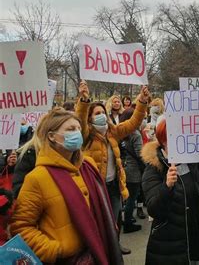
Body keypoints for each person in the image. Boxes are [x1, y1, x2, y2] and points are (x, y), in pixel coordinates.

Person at [10, 108, 123, 264]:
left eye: (77, 128)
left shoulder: (88, 164)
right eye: (70, 129)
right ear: (52, 136)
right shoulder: (37, 178)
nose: (77, 133)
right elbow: (21, 227)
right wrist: (56, 250)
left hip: (98, 253)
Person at [141, 119, 199, 265]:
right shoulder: (154, 168)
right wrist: (167, 186)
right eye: (174, 136)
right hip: (171, 245)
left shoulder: (191, 161)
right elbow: (154, 209)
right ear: (163, 140)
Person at [76, 80, 149, 254]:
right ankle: (98, 251)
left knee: (114, 220)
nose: (101, 115)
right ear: (90, 118)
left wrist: (142, 101)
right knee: (96, 222)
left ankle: (115, 247)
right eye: (96, 113)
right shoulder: (86, 135)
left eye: (102, 112)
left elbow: (133, 122)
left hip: (114, 185)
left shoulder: (113, 131)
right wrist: (84, 100)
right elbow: (79, 119)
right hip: (95, 187)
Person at [120, 107, 146, 233]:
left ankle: (125, 219)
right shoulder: (136, 134)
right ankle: (128, 222)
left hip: (123, 167)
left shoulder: (122, 132)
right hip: (134, 170)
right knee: (132, 197)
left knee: (126, 197)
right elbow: (140, 154)